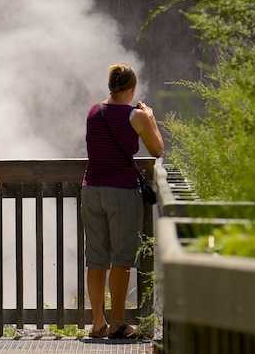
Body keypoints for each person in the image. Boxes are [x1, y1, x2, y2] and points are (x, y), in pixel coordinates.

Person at [83, 64, 163, 340]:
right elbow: (157, 149)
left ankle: (96, 322)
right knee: (121, 258)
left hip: (91, 188)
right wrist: (149, 117)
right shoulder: (136, 115)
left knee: (95, 259)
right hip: (122, 191)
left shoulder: (95, 111)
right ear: (131, 89)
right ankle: (117, 321)